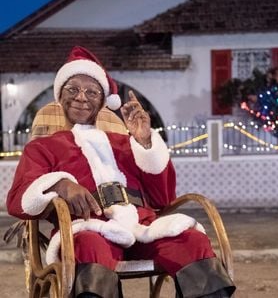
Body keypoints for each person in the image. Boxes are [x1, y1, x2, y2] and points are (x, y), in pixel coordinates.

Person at [6, 46, 235, 298]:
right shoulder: (43, 147)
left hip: (143, 228)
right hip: (90, 229)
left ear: (103, 102)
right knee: (89, 245)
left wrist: (145, 142)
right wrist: (60, 184)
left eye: (91, 91)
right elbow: (18, 200)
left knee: (192, 241)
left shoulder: (125, 142)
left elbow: (162, 198)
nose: (81, 97)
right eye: (73, 89)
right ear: (60, 96)